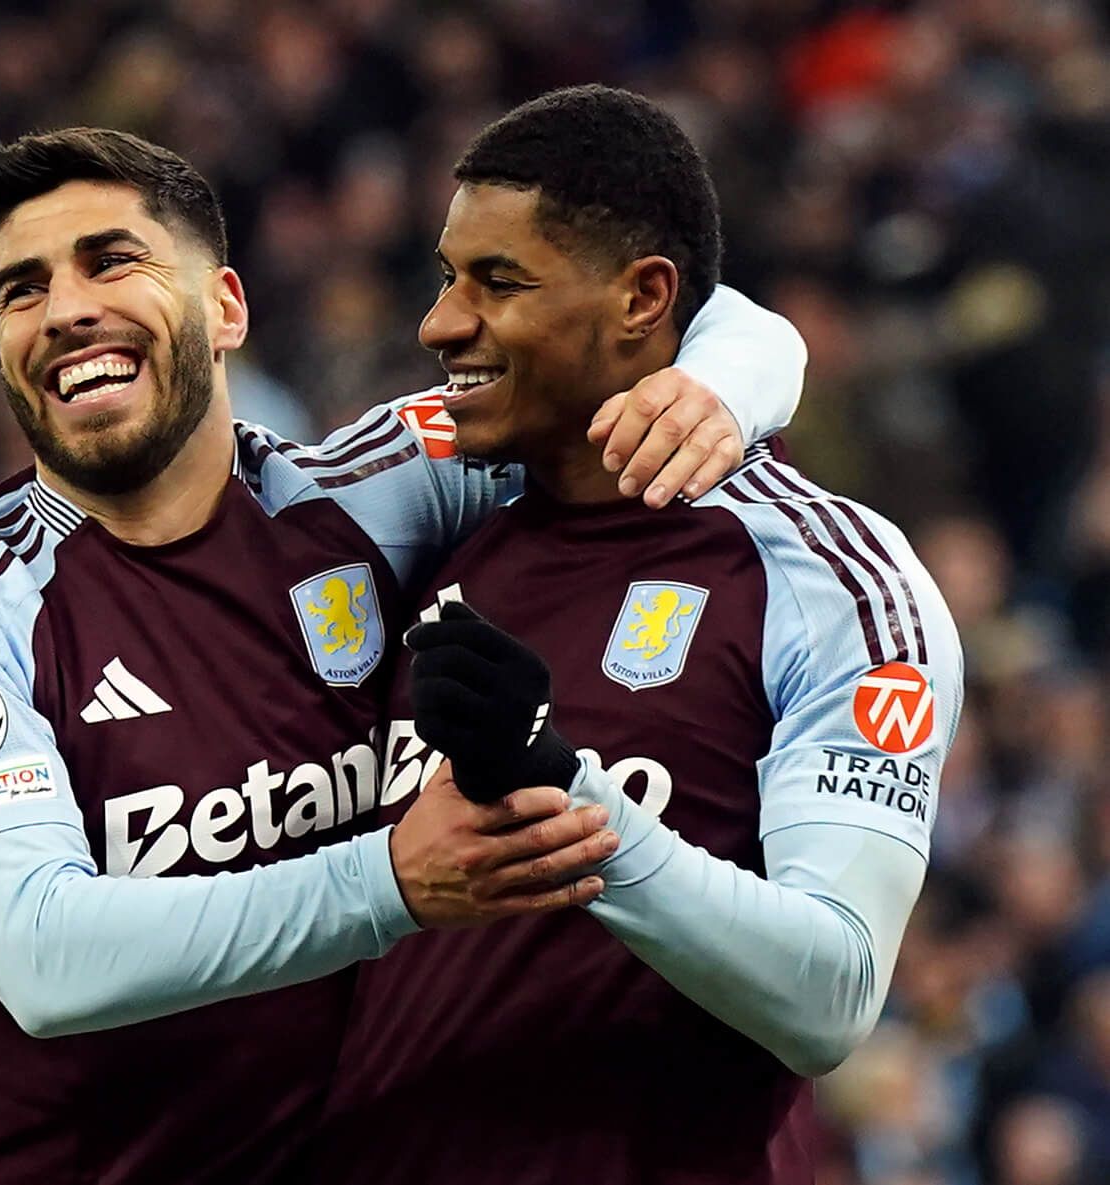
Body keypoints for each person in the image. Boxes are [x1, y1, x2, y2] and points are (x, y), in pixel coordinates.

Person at [0, 126, 808, 1184]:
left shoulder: (369, 493)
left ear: (226, 308)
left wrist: (725, 389)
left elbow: (657, 330)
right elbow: (43, 957)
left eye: (111, 260)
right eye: (21, 290)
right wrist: (387, 879)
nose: (63, 309)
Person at [309, 85, 963, 1185]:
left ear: (641, 298)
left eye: (497, 281)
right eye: (444, 275)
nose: (438, 323)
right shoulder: (443, 528)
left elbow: (830, 992)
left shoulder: (826, 574)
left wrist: (564, 795)